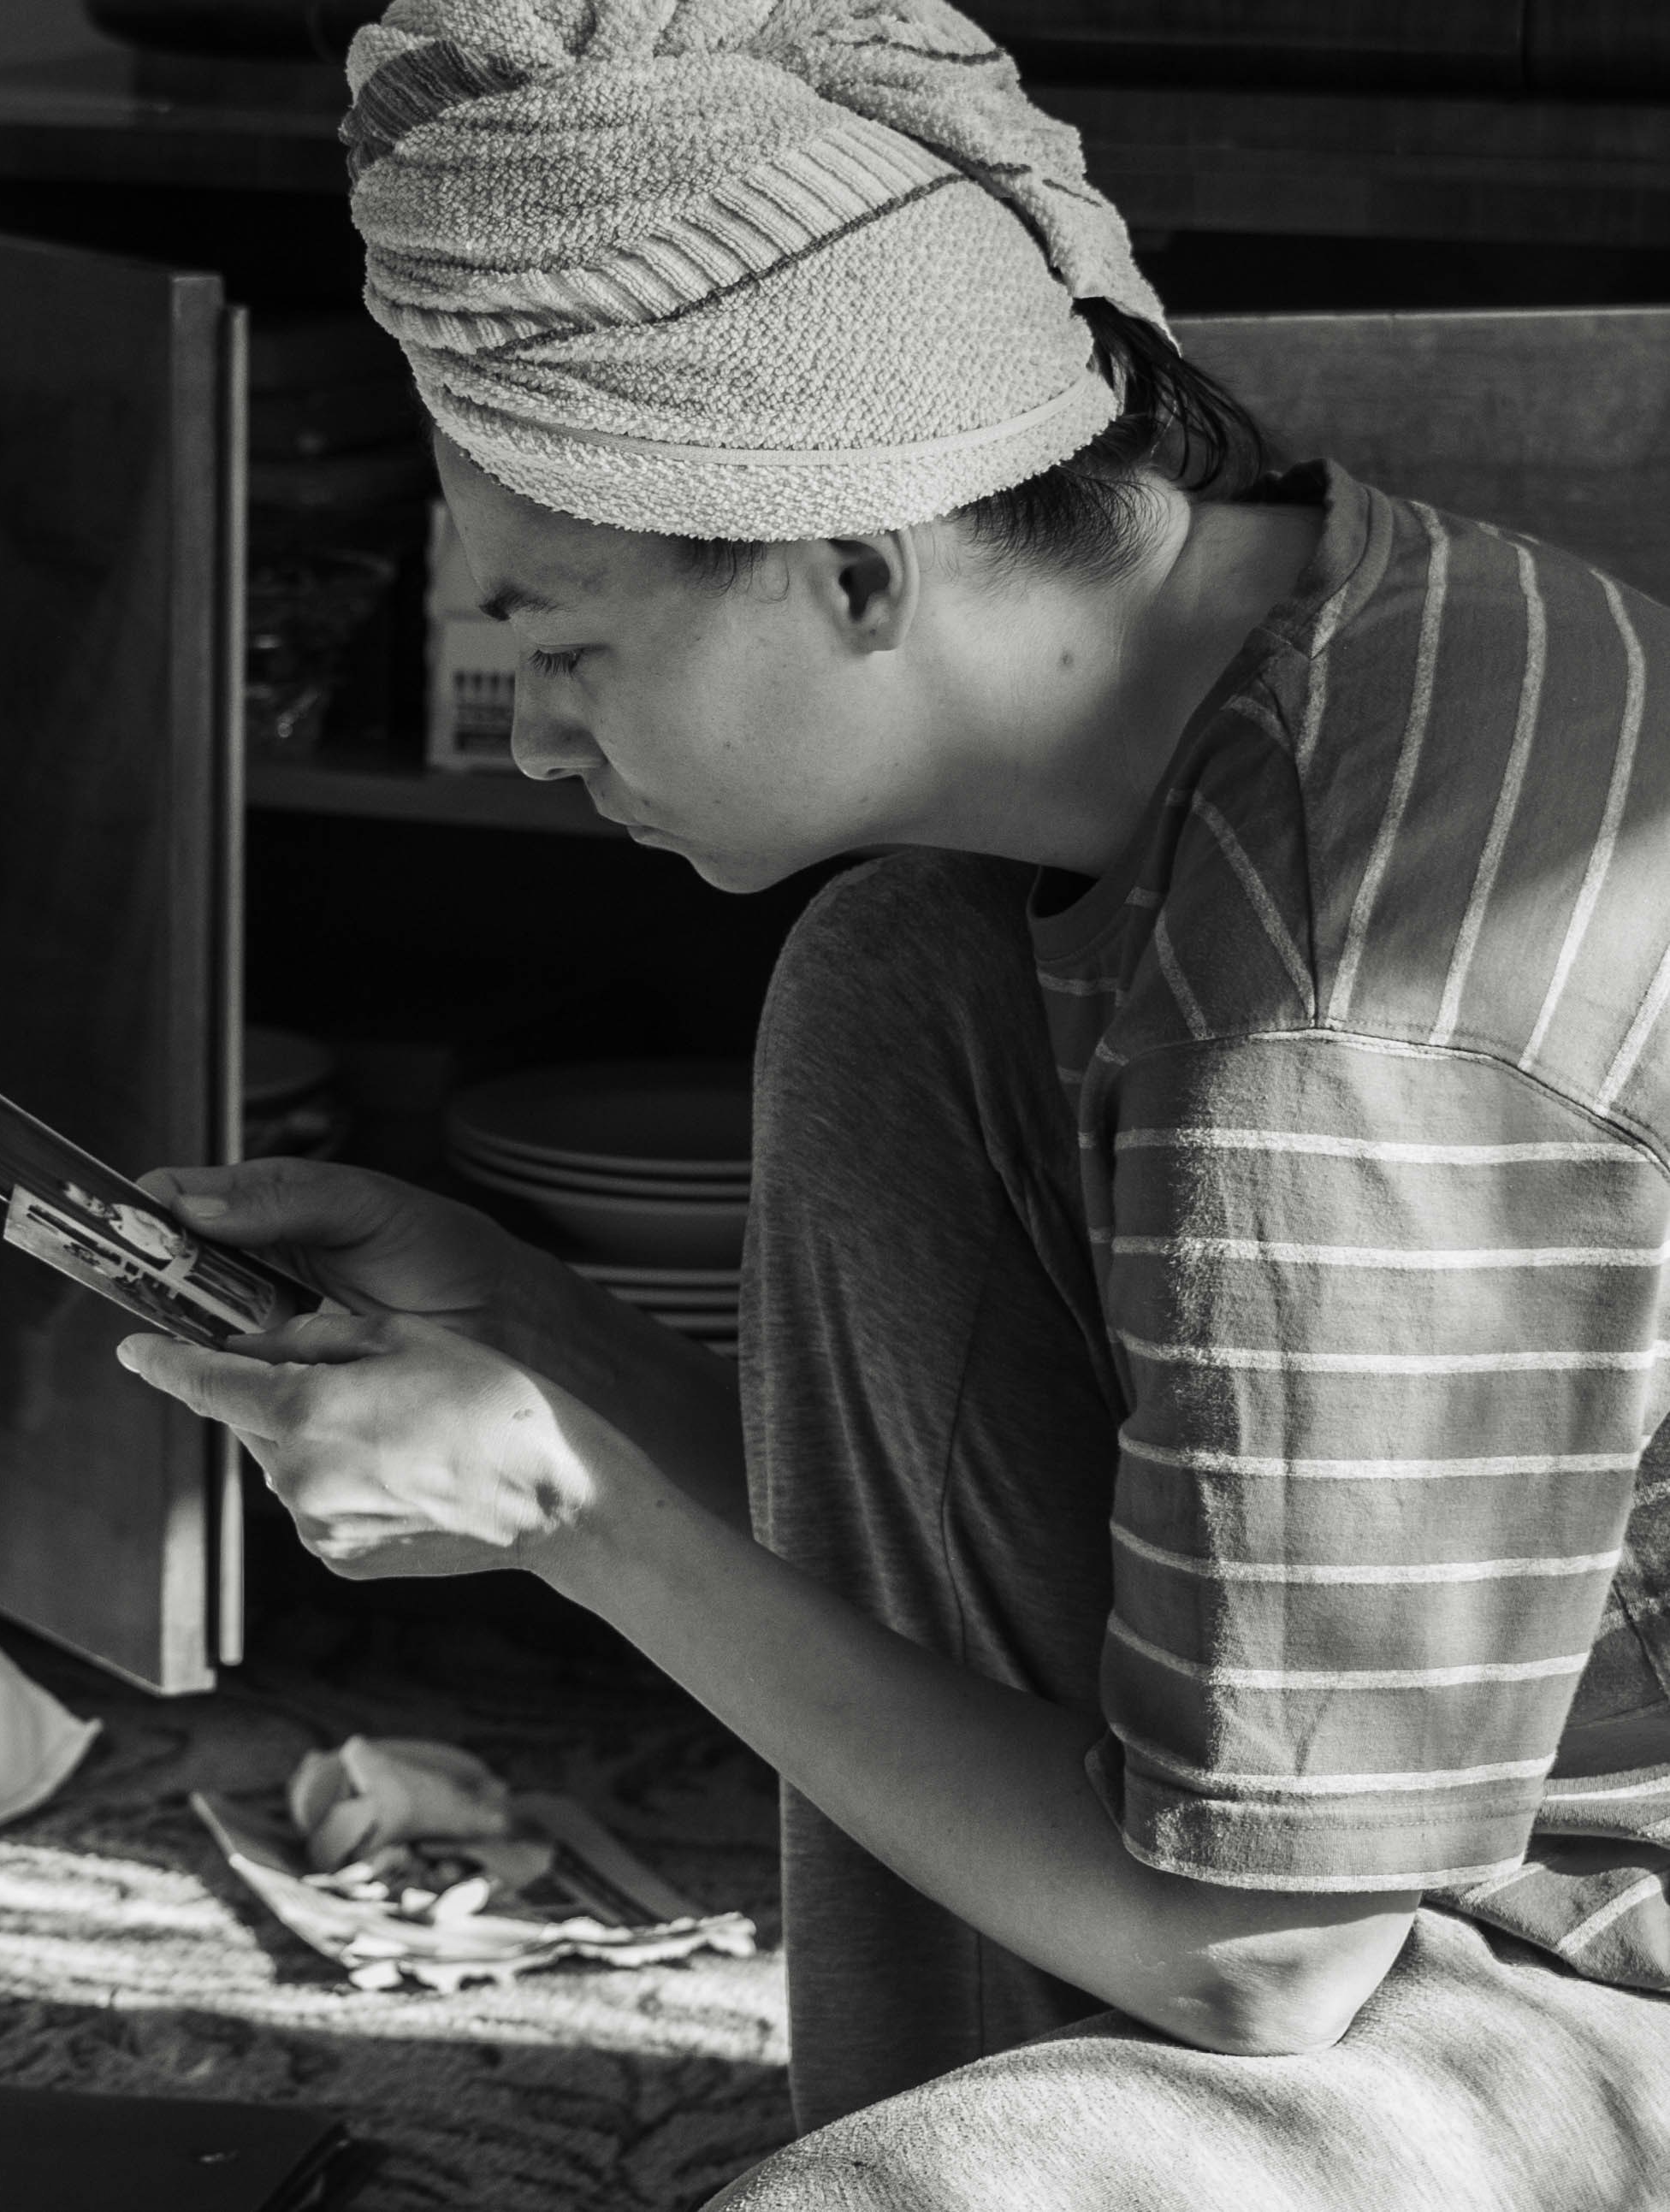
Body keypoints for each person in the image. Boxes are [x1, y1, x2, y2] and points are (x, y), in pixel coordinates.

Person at [119, 3, 1670, 2203]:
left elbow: (1260, 1968)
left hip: (1584, 1973)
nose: (537, 738)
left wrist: (582, 1522)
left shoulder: (1336, 1028)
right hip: (1410, 1826)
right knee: (893, 973)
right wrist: (540, 1350)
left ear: (852, 567)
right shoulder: (1322, 615)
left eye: (561, 647)